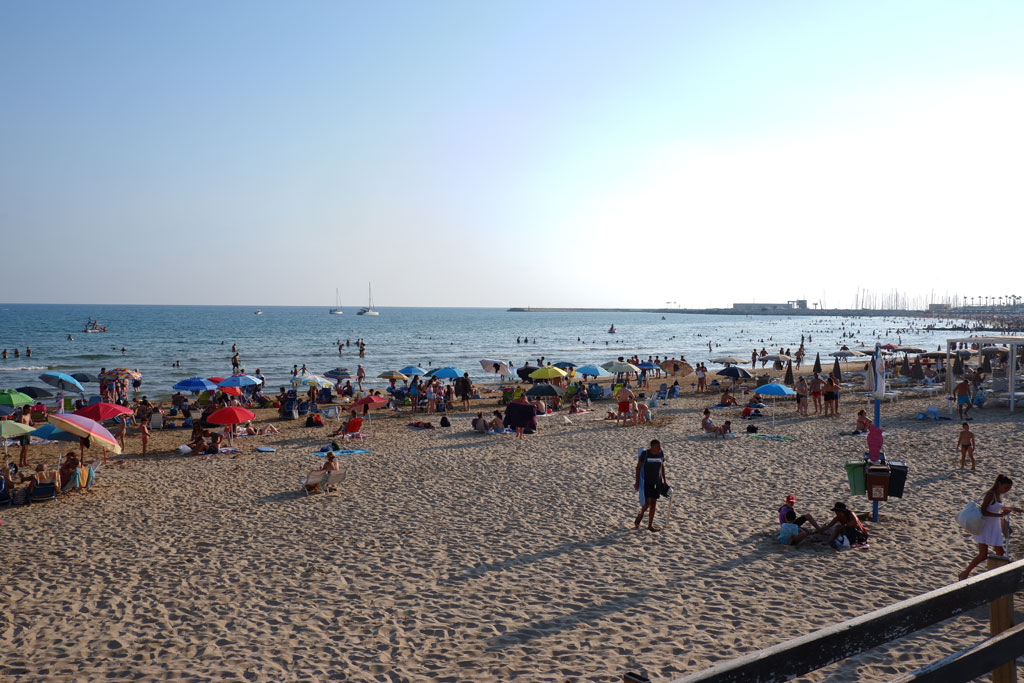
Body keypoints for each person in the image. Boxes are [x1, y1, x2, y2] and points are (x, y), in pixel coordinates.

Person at [960, 475, 1022, 580]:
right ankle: (965, 573)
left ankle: (996, 576)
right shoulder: (990, 494)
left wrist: (1013, 508)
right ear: (999, 484)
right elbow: (984, 511)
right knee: (983, 555)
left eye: (1009, 489)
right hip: (986, 526)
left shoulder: (998, 494)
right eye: (1005, 488)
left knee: (1000, 552)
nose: (1007, 490)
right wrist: (1001, 515)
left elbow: (996, 507)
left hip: (995, 527)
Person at [634, 439, 667, 532]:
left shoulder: (661, 454)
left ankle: (650, 525)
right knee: (647, 503)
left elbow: (662, 466)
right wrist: (637, 482)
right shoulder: (645, 454)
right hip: (646, 482)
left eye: (660, 446)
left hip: (656, 483)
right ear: (652, 447)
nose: (659, 448)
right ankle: (640, 514)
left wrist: (664, 480)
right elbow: (638, 468)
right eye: (657, 446)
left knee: (654, 503)